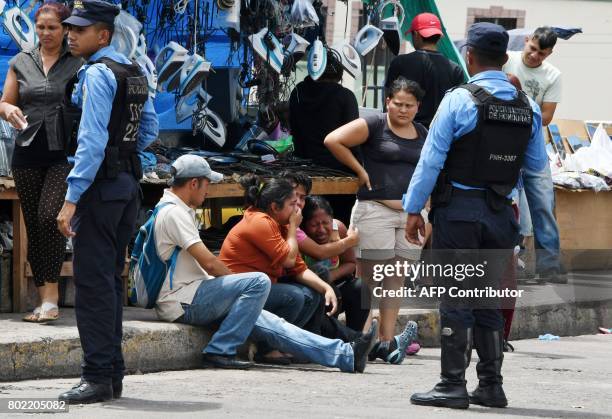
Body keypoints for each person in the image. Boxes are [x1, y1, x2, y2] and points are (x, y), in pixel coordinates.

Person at [404, 22, 548, 409]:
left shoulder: (458, 101)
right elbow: (536, 169)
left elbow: (430, 162)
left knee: (456, 297)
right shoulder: (528, 107)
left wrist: (413, 209)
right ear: (505, 59)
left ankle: (452, 384)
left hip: (460, 214)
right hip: (503, 215)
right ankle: (491, 385)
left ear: (468, 56)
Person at [152, 155, 377, 373]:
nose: (208, 190)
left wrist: (326, 286)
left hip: (198, 293)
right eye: (206, 184)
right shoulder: (174, 213)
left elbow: (296, 266)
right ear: (194, 183)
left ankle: (346, 355)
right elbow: (210, 263)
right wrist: (238, 286)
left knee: (277, 326)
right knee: (260, 282)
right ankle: (219, 350)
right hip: (182, 299)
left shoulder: (181, 211)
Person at [55, 0, 159, 404]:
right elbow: (148, 127)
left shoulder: (99, 73)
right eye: (70, 29)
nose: (70, 35)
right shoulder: (133, 70)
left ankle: (97, 376)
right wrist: (124, 151)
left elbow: (92, 141)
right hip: (127, 188)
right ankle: (111, 375)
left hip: (100, 190)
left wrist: (71, 198)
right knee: (110, 283)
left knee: (94, 286)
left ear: (103, 35)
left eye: (79, 30)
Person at [324, 77, 425, 364]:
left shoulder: (421, 131)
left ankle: (388, 342)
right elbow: (333, 140)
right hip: (375, 210)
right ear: (387, 102)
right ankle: (362, 340)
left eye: (409, 105)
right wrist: (359, 170)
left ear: (418, 107)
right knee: (369, 279)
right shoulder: (375, 124)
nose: (403, 110)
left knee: (396, 279)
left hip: (410, 213)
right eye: (398, 104)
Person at [0, 2, 83, 323]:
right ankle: (45, 298)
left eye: (53, 27)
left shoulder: (78, 63)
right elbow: (6, 101)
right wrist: (7, 110)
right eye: (41, 27)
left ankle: (51, 298)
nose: (46, 33)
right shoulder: (21, 61)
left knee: (50, 216)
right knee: (35, 225)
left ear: (65, 29)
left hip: (64, 152)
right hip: (27, 151)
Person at [219, 175, 338, 363]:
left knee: (311, 293)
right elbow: (289, 261)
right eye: (292, 204)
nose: (297, 208)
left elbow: (299, 268)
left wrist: (326, 288)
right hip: (239, 294)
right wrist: (293, 228)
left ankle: (278, 345)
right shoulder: (260, 221)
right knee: (294, 296)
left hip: (260, 290)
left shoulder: (278, 224)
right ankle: (266, 348)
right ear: (275, 207)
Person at [503, 27, 563, 283]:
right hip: (502, 143)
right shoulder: (507, 59)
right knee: (508, 203)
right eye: (533, 49)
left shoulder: (553, 75)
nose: (535, 56)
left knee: (543, 204)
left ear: (549, 54)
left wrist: (518, 110)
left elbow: (547, 116)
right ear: (527, 41)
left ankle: (550, 266)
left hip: (533, 144)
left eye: (542, 53)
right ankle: (511, 262)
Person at [289, 48, 359, 225]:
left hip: (305, 169)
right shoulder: (345, 96)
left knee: (307, 223)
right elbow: (354, 139)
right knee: (337, 223)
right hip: (340, 171)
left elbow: (295, 132)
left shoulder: (297, 92)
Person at [301, 195, 370, 333]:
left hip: (335, 284)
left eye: (325, 223)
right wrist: (324, 285)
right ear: (303, 224)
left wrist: (330, 276)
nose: (321, 230)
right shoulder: (301, 237)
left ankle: (355, 338)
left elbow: (351, 263)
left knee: (360, 288)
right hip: (309, 289)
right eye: (314, 225)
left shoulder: (338, 229)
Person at [385, 13, 466, 128]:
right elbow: (457, 108)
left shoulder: (400, 62)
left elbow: (388, 100)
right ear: (439, 37)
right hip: (439, 135)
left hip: (404, 132)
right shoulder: (455, 69)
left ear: (416, 35)